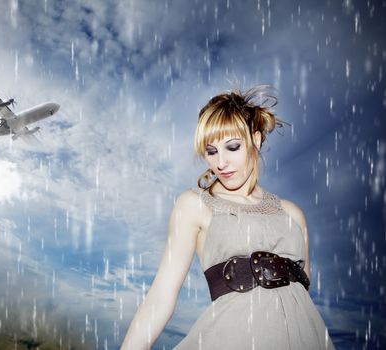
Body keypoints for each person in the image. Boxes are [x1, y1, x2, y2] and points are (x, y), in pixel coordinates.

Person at [121, 86, 335, 349]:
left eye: (232, 147)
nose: (220, 162)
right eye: (211, 151)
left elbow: (301, 298)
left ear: (255, 140)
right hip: (232, 337)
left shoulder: (293, 214)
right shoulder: (194, 205)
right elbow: (161, 295)